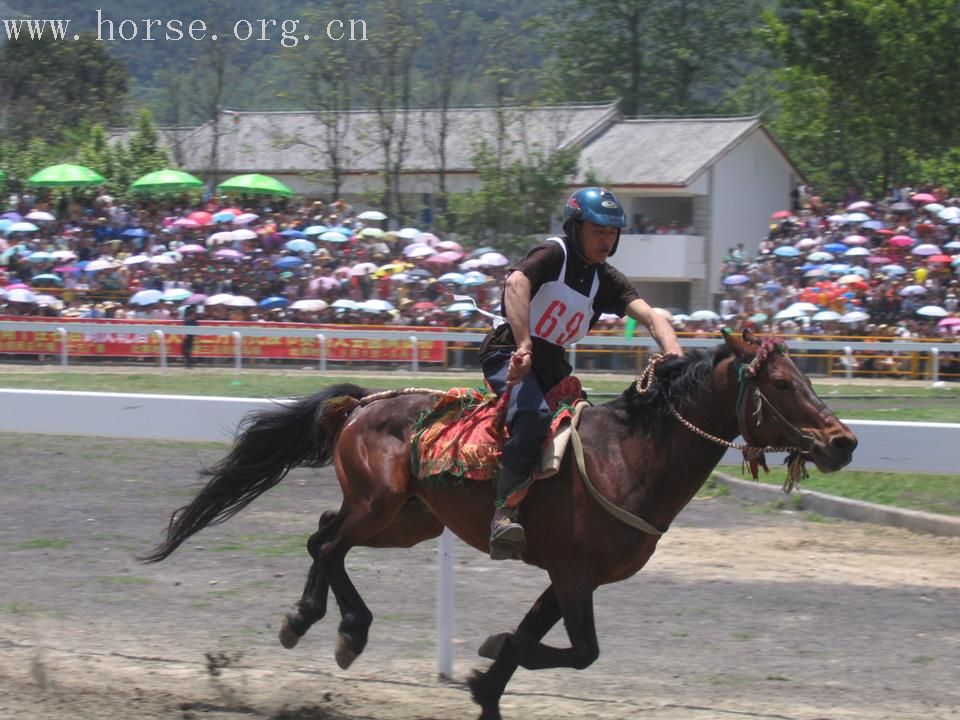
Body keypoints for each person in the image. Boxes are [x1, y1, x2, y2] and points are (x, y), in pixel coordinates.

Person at [478, 187, 684, 560]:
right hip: (509, 353)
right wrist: (524, 345)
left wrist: (675, 356)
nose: (606, 240)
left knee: (591, 431)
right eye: (598, 231)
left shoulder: (606, 279)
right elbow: (516, 283)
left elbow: (652, 317)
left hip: (553, 365)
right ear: (575, 228)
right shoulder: (553, 254)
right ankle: (503, 515)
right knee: (532, 416)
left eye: (612, 233)